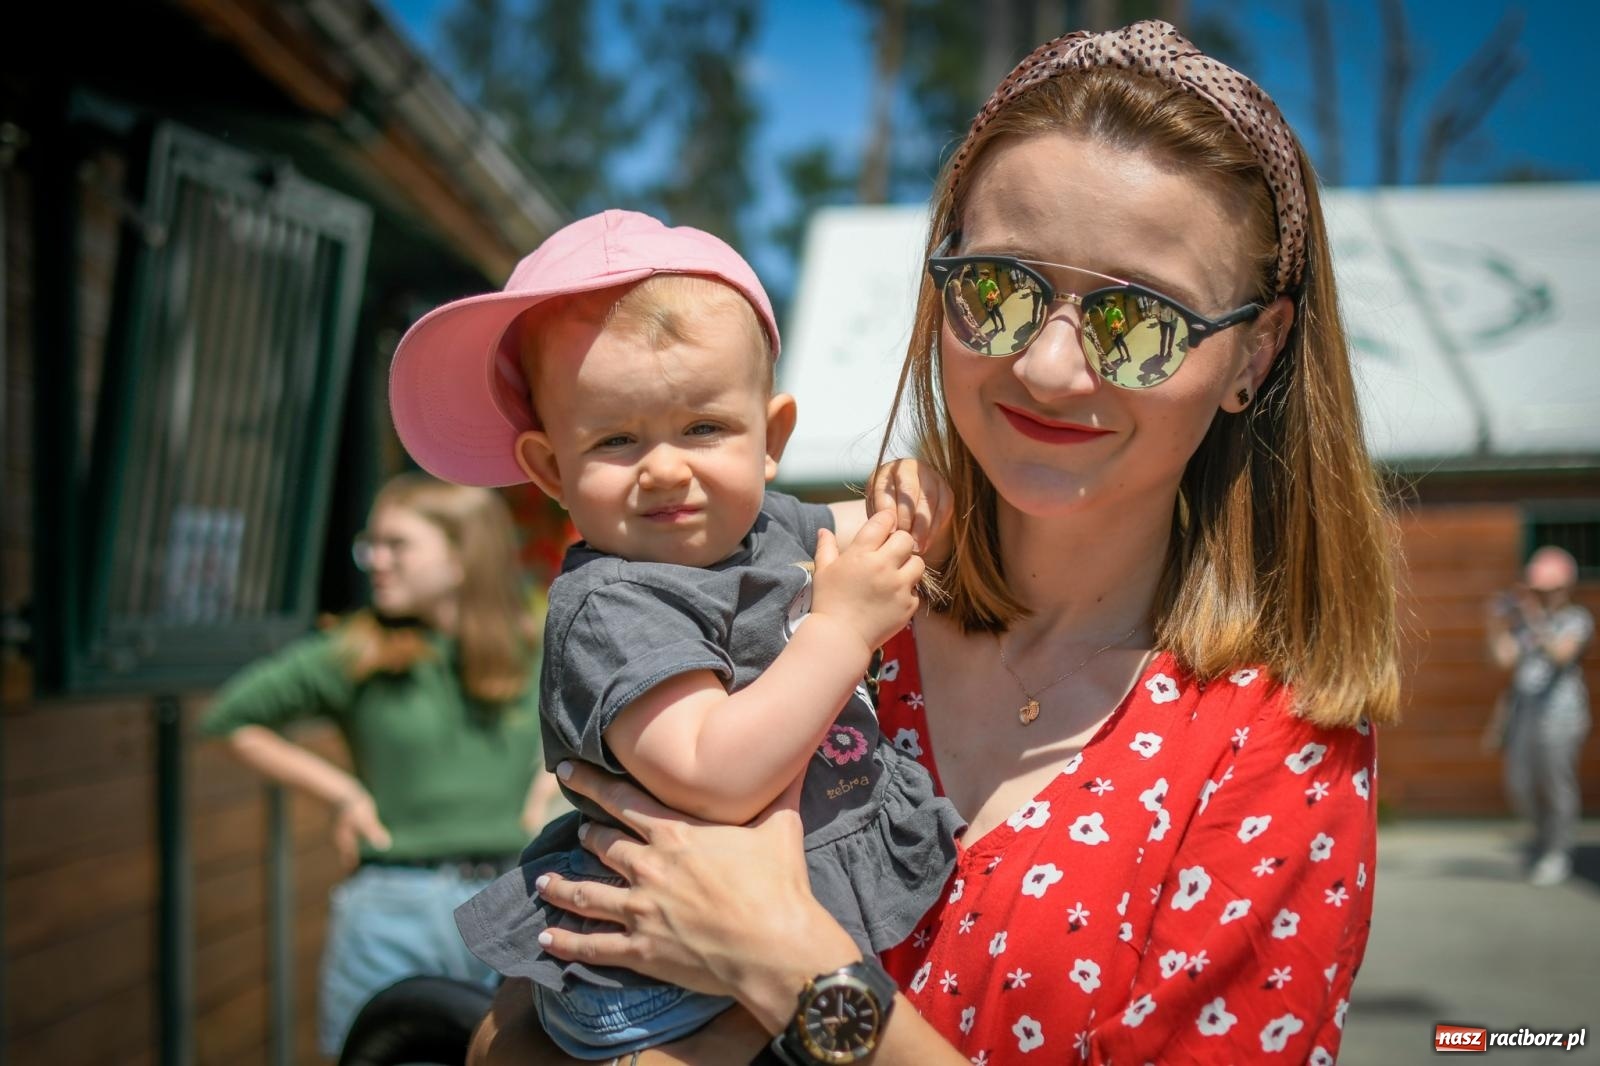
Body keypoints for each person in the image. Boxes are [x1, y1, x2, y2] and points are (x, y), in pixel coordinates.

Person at [469, 19, 1399, 1065]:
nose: (1049, 369)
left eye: (1136, 320)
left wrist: (792, 969)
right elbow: (512, 1032)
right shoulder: (817, 594)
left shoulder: (1274, 750)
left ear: (1254, 352)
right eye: (999, 290)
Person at [385, 210, 963, 1060]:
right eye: (617, 439)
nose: (665, 468)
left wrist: (914, 497)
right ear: (552, 470)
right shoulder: (609, 607)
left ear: (770, 439)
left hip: (767, 930)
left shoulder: (762, 528)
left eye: (703, 428)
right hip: (666, 985)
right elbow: (713, 774)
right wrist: (841, 630)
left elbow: (875, 540)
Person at [201, 473, 558, 1058]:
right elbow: (229, 718)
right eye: (371, 544)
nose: (375, 561)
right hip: (392, 908)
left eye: (398, 545)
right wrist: (342, 792)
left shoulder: (540, 640)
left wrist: (547, 779)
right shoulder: (355, 651)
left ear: (463, 554)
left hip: (516, 902)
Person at [1486, 545, 1593, 887]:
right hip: (1524, 715)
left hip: (1561, 717)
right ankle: (1542, 839)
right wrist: (1495, 624)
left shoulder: (1576, 619)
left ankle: (1557, 851)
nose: (1538, 596)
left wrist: (1533, 616)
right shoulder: (1526, 624)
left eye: (1544, 590)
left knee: (1556, 785)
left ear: (1564, 588)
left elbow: (1562, 656)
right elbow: (1503, 659)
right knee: (1520, 785)